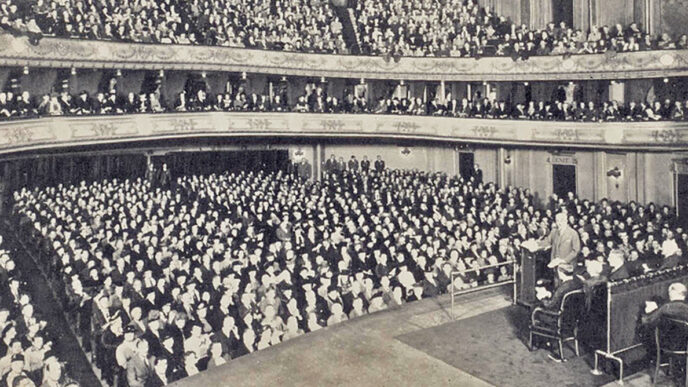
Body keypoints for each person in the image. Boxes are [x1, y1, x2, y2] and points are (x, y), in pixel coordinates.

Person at [532, 212, 581, 286]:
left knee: (566, 286)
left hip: (567, 266)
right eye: (557, 221)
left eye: (561, 220)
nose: (559, 223)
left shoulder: (573, 233)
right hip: (555, 264)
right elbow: (547, 241)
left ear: (566, 221)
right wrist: (534, 244)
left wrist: (564, 260)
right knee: (556, 284)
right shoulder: (554, 232)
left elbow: (576, 250)